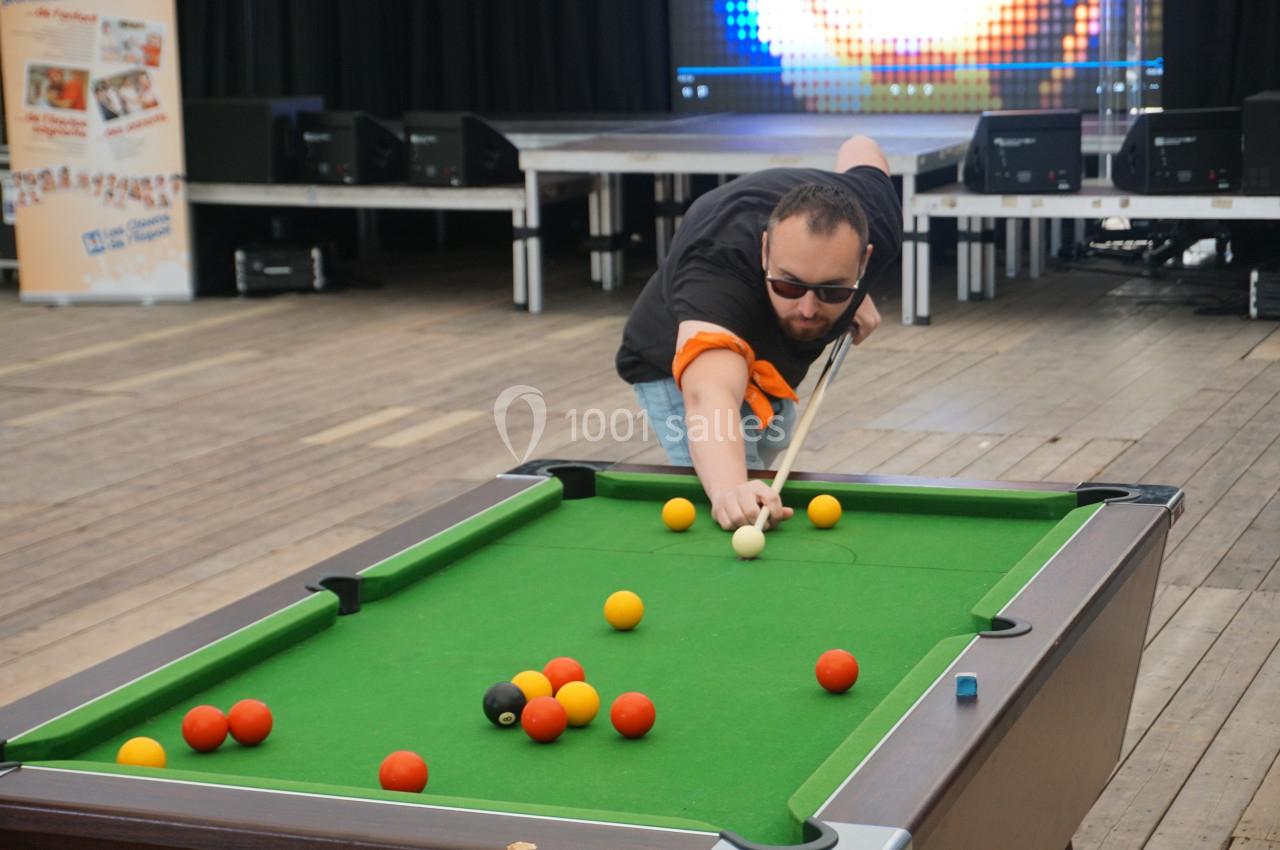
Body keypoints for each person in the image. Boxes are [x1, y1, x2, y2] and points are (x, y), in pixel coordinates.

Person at [616, 135, 901, 531]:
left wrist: (856, 292)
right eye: (789, 285)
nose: (807, 307)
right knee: (737, 500)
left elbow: (861, 145)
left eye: (830, 289)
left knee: (769, 439)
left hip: (769, 359)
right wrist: (729, 488)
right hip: (672, 361)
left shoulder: (879, 217)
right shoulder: (717, 269)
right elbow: (708, 393)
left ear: (863, 260)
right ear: (765, 251)